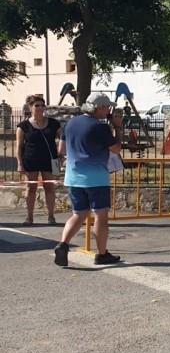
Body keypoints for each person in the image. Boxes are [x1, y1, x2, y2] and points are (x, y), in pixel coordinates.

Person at [53, 93, 125, 267]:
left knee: (79, 214)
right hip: (96, 179)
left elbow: (61, 149)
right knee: (101, 216)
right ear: (99, 107)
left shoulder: (70, 123)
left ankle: (63, 244)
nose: (109, 110)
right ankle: (101, 254)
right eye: (107, 107)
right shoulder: (100, 127)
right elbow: (116, 149)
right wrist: (117, 127)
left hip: (73, 177)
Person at [15, 96, 61, 226]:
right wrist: (19, 163)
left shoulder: (53, 123)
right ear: (30, 107)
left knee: (50, 187)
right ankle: (29, 217)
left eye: (42, 105)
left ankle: (51, 217)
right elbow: (19, 147)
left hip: (51, 160)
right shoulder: (23, 126)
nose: (41, 108)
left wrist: (61, 155)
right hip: (31, 159)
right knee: (30, 188)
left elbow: (63, 139)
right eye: (37, 105)